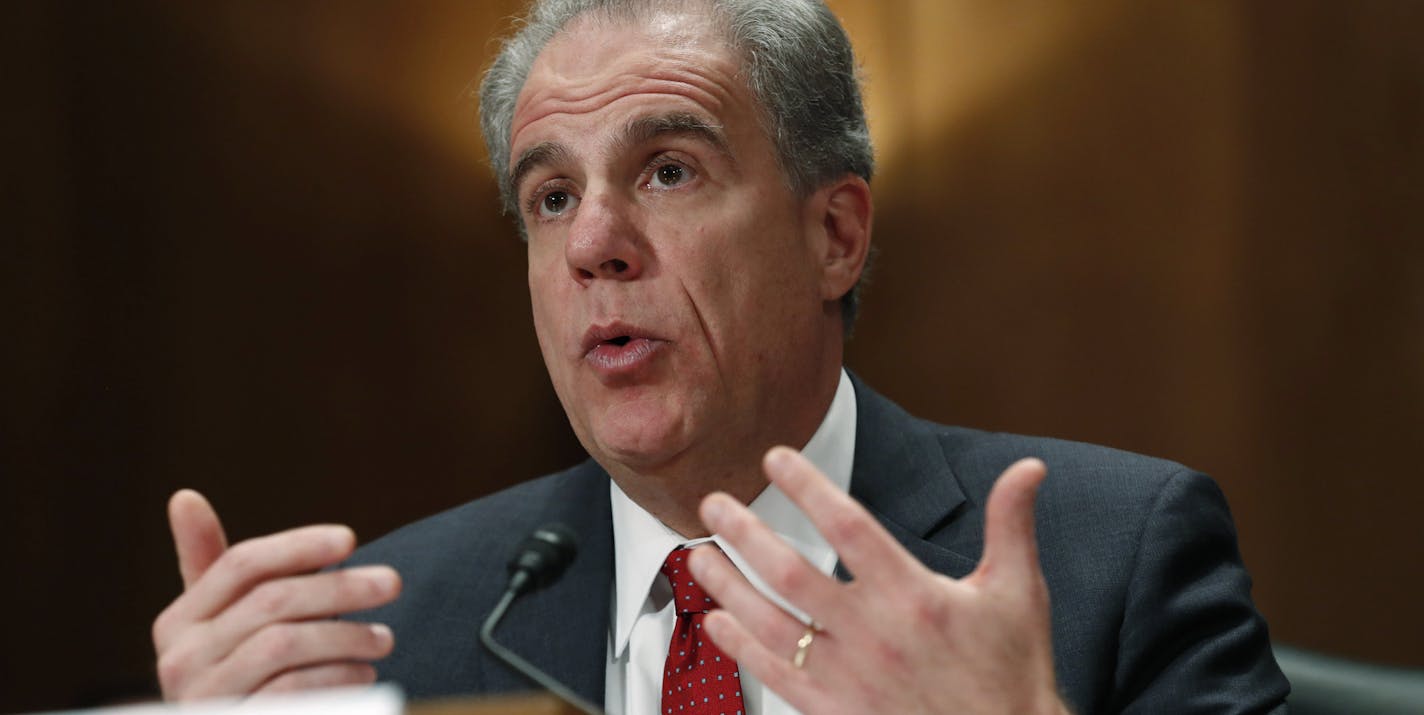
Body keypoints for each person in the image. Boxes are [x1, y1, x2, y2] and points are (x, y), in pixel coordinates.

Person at [152, 1, 1290, 712]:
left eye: (667, 171)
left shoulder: (1112, 561)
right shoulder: (390, 629)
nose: (594, 242)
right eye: (550, 196)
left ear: (832, 234)